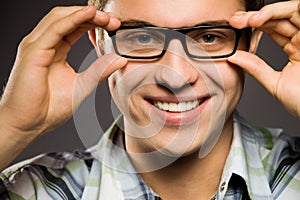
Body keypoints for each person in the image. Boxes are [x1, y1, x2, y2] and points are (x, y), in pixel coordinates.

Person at [0, 0, 299, 199]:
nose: (176, 77)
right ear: (99, 43)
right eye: (143, 37)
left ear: (252, 42)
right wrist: (13, 125)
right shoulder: (35, 191)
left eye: (208, 37)